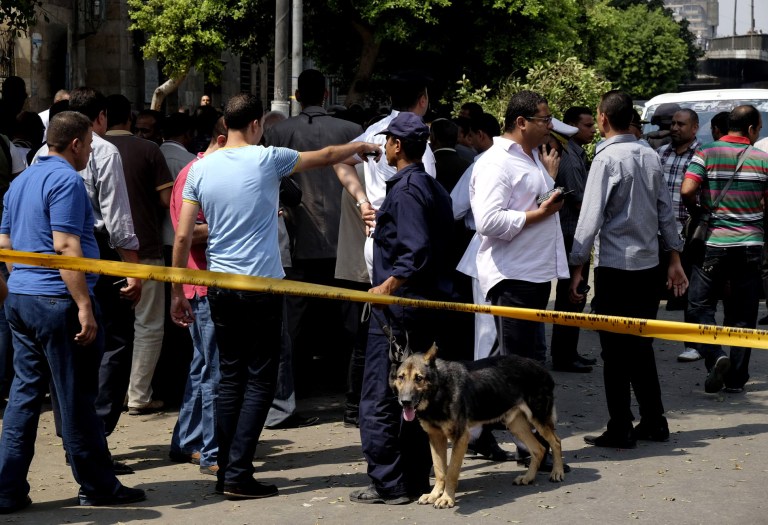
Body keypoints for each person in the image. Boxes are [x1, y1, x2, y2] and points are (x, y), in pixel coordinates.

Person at [171, 92, 380, 500]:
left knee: (229, 378)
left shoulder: (200, 169)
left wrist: (178, 290)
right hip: (262, 287)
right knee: (260, 382)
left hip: (218, 288)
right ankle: (237, 474)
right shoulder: (268, 159)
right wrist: (361, 146)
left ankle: (226, 470)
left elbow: (181, 235)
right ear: (255, 126)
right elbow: (326, 155)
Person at [0, 111, 145, 513]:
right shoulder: (65, 180)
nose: (90, 153)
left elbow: (7, 243)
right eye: (90, 144)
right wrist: (83, 305)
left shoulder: (21, 181)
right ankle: (98, 486)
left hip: (22, 298)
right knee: (77, 397)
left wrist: (24, 285)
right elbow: (66, 247)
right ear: (77, 143)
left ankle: (7, 489)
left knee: (24, 397)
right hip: (56, 302)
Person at [570, 90, 688, 449]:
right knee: (640, 346)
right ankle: (654, 420)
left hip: (616, 269)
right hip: (648, 267)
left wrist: (577, 267)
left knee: (615, 353)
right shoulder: (650, 156)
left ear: (603, 118)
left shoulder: (606, 161)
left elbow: (589, 220)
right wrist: (674, 258)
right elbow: (666, 213)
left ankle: (621, 426)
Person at [348, 111, 453, 505]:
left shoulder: (408, 191)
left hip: (400, 313)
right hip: (422, 307)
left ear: (396, 146)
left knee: (382, 397)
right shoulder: (426, 187)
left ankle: (390, 484)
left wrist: (386, 286)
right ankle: (410, 480)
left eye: (388, 141)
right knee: (416, 397)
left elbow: (415, 251)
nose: (386, 147)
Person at [35, 87, 141, 474]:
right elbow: (117, 218)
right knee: (112, 343)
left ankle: (75, 438)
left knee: (66, 352)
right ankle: (92, 438)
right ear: (99, 119)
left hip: (47, 256)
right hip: (92, 250)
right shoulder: (103, 150)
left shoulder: (40, 155)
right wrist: (131, 268)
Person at [264, 69, 364, 422]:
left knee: (292, 325)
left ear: (296, 95)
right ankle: (354, 394)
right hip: (345, 242)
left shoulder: (278, 132)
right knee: (351, 322)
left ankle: (289, 393)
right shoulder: (352, 132)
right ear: (325, 94)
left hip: (297, 240)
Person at [681, 105, 768, 395]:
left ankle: (714, 354)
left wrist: (702, 210)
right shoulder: (763, 159)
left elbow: (687, 191)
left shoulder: (706, 152)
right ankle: (736, 379)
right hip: (750, 246)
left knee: (698, 305)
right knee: (744, 313)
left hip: (714, 243)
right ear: (753, 128)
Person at [104, 94, 173, 415]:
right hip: (145, 248)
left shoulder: (91, 151)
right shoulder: (149, 151)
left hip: (101, 254)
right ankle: (138, 395)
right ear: (129, 119)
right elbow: (167, 202)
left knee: (111, 329)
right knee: (148, 324)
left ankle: (107, 394)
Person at [333, 71, 437, 281]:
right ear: (423, 100)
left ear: (391, 100)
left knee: (383, 306)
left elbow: (339, 159)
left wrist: (363, 202)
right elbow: (427, 196)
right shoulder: (416, 139)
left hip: (378, 237)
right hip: (404, 240)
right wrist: (363, 203)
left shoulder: (375, 131)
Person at [168, 116, 227, 476]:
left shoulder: (201, 171)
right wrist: (235, 220)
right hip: (202, 286)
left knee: (202, 366)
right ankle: (211, 452)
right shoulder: (199, 174)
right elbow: (186, 233)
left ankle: (188, 441)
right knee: (214, 373)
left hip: (198, 284)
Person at [549, 106, 598, 373]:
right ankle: (564, 355)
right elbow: (579, 199)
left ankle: (569, 352)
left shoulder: (576, 154)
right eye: (587, 125)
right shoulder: (568, 157)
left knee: (574, 297)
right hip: (571, 234)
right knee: (571, 296)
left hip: (575, 233)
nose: (592, 130)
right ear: (570, 126)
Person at [656, 109, 702, 362]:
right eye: (673, 123)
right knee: (651, 287)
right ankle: (643, 337)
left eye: (681, 124)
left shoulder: (703, 156)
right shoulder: (660, 153)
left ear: (694, 128)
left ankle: (693, 344)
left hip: (689, 233)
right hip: (658, 233)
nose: (674, 128)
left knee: (691, 292)